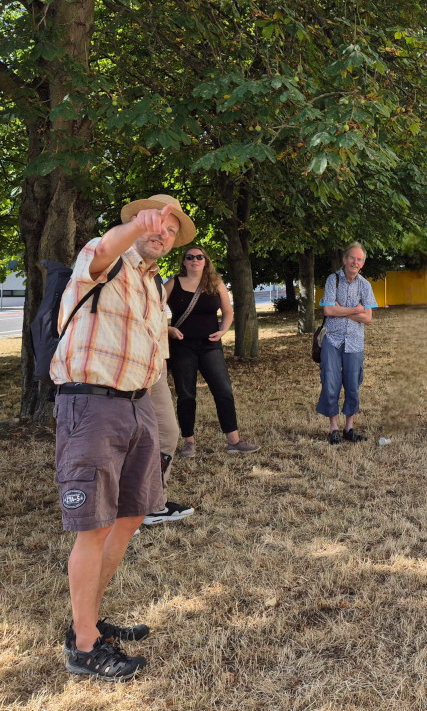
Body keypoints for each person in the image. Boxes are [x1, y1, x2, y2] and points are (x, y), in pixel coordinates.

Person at [50, 193, 195, 680]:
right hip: (92, 405)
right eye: (156, 222)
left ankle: (88, 618)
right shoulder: (105, 254)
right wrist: (135, 228)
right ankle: (84, 645)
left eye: (171, 229)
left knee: (131, 516)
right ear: (135, 221)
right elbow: (107, 248)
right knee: (93, 527)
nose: (163, 232)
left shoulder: (154, 285)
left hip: (138, 408)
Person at [165, 244, 258, 455]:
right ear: (184, 261)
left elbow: (228, 312)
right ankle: (189, 442)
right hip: (182, 346)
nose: (194, 260)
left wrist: (223, 330)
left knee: (223, 391)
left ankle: (233, 441)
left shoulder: (215, 283)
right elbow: (153, 310)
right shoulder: (173, 283)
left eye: (199, 257)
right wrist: (168, 329)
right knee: (186, 395)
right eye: (190, 257)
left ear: (205, 261)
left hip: (210, 346)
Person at [318, 242, 378, 444]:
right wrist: (356, 310)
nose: (355, 262)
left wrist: (342, 310)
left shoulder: (365, 285)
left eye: (359, 259)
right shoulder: (332, 280)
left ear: (362, 263)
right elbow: (328, 311)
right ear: (344, 259)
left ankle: (349, 428)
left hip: (355, 342)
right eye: (352, 257)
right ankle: (334, 428)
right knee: (331, 383)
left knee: (353, 385)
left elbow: (368, 318)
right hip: (332, 340)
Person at [140, 364, 197, 525]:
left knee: (167, 433)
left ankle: (154, 503)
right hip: (126, 357)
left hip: (156, 361)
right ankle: (121, 513)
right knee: (126, 432)